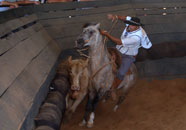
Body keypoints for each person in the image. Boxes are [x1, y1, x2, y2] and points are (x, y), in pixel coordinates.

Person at [100, 14, 152, 100]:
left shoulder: (137, 37)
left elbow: (119, 42)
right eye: (129, 24)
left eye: (131, 25)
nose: (129, 26)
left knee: (121, 72)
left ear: (137, 26)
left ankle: (113, 89)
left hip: (128, 55)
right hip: (118, 49)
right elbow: (125, 18)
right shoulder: (131, 25)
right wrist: (115, 16)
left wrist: (106, 35)